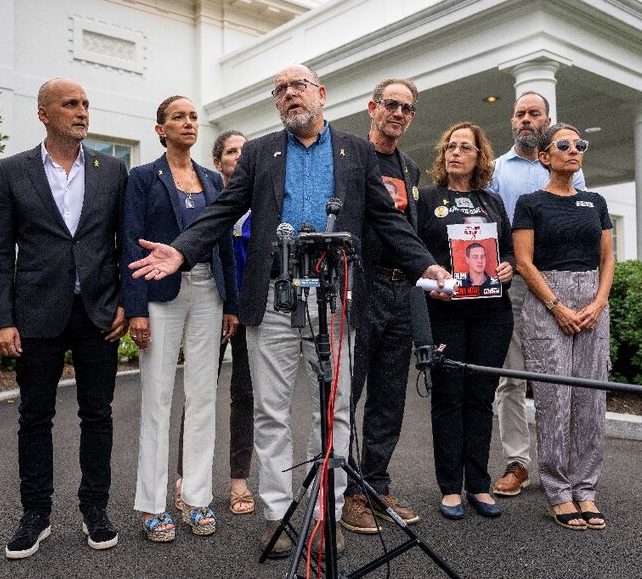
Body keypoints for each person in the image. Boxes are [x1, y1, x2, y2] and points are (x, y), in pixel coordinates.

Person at [126, 64, 451, 558]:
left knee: (333, 412)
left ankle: (325, 514)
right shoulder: (259, 152)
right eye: (280, 90)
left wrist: (429, 268)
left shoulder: (356, 152)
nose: (289, 95)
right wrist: (181, 250)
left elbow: (388, 221)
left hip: (338, 298)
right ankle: (278, 516)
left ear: (320, 93)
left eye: (298, 86)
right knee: (271, 412)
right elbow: (222, 211)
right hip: (274, 299)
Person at [0, 78, 128, 559]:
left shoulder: (112, 169)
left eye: (86, 103)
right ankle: (35, 514)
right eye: (70, 104)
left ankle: (95, 509)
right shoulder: (12, 171)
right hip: (35, 315)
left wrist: (127, 302)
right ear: (44, 113)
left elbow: (123, 243)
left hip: (98, 313)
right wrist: (0, 319)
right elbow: (0, 251)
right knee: (34, 418)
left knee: (98, 415)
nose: (82, 111)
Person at [121, 96, 238, 542]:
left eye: (192, 117)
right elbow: (130, 245)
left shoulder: (212, 180)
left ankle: (197, 498)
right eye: (178, 117)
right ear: (160, 129)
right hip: (159, 294)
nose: (188, 123)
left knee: (203, 397)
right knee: (158, 397)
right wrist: (135, 310)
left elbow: (223, 241)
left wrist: (230, 303)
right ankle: (153, 505)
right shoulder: (141, 178)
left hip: (209, 290)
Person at [512, 123, 614, 531]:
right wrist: (556, 305)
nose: (574, 150)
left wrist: (598, 302)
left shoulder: (596, 201)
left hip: (593, 302)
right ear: (544, 156)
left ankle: (585, 489)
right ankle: (557, 490)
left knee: (591, 399)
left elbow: (608, 258)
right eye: (564, 144)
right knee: (556, 398)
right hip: (546, 302)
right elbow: (523, 262)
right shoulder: (530, 202)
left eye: (580, 145)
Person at [490, 92, 586, 497]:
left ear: (548, 120)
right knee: (510, 379)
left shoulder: (571, 168)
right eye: (520, 114)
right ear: (512, 120)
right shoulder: (496, 170)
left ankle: (558, 463)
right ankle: (517, 463)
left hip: (558, 283)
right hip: (512, 282)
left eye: (534, 114)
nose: (526, 119)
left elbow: (580, 219)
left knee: (558, 378)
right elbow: (488, 223)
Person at [416, 122, 515, 520]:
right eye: (450, 146)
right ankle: (449, 488)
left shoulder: (492, 202)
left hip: (492, 314)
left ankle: (477, 483)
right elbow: (415, 253)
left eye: (465, 147)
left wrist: (507, 267)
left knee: (480, 398)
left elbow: (507, 251)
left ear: (479, 156)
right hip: (446, 313)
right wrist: (431, 277)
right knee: (448, 397)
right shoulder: (426, 200)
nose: (455, 152)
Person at [342, 79, 422, 535]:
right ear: (372, 107)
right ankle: (348, 491)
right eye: (390, 104)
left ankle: (375, 484)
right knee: (348, 394)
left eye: (406, 108)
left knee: (389, 398)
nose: (397, 113)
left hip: (401, 291)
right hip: (362, 286)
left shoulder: (409, 168)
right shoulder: (351, 156)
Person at [174, 130, 256, 516]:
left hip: (254, 307)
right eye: (231, 151)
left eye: (245, 150)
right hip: (216, 303)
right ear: (219, 159)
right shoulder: (209, 197)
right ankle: (184, 477)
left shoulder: (264, 198)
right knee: (199, 390)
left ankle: (238, 479)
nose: (239, 157)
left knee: (246, 394)